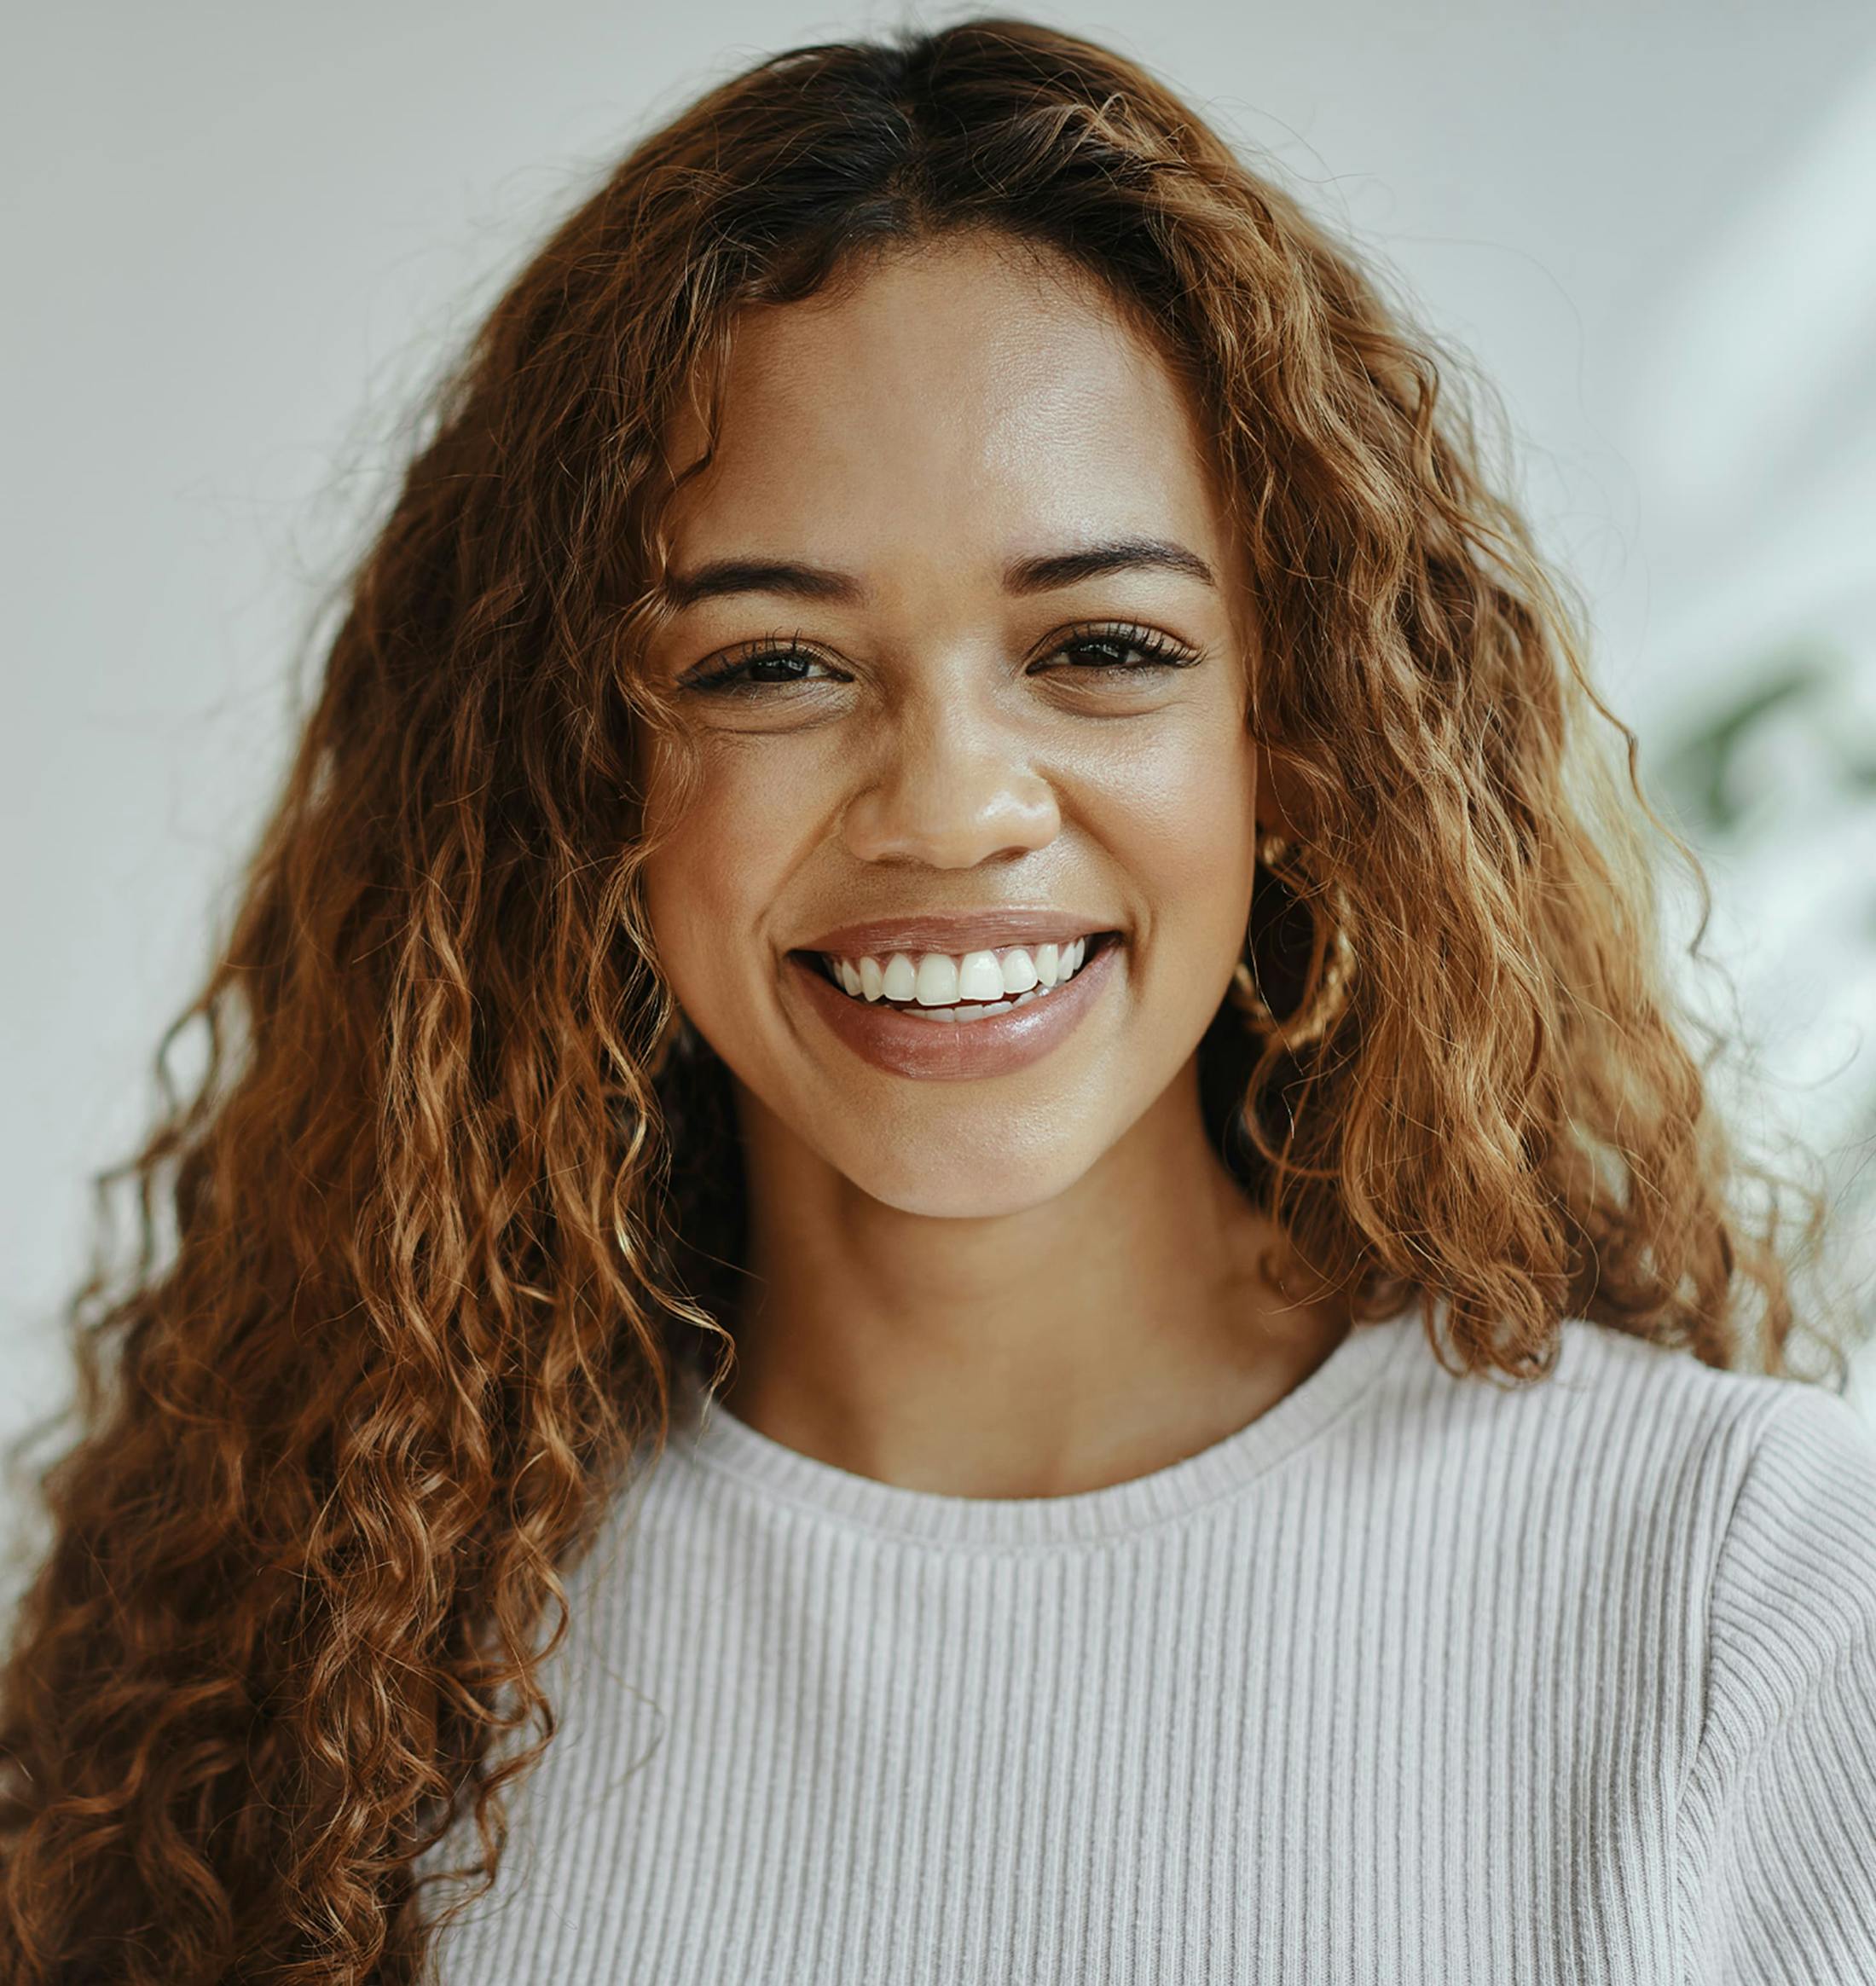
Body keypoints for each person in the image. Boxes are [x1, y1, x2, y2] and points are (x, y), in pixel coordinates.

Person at [3, 16, 1873, 1984]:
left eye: (1101, 645)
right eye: (770, 666)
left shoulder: (1739, 1600)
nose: (951, 807)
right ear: (577, 776)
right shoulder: (308, 1676)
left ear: (1298, 732)